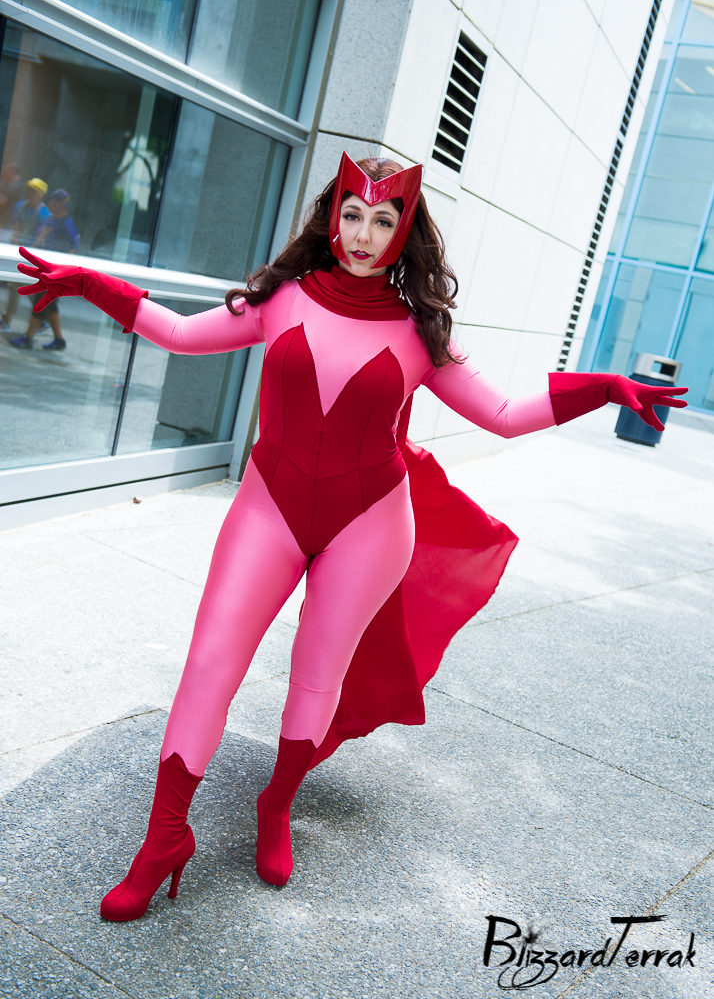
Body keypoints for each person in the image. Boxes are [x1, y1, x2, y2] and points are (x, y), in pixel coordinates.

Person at [16, 154, 688, 923]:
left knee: (315, 679)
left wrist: (602, 388)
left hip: (369, 525)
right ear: (331, 219)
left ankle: (276, 804)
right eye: (352, 214)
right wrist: (91, 283)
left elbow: (502, 415)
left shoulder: (421, 333)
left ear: (405, 232)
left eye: (383, 219)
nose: (365, 233)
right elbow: (176, 332)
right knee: (207, 665)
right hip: (269, 508)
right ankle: (165, 837)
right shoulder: (281, 298)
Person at [10, 190, 79, 350]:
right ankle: (59, 340)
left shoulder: (66, 223)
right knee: (51, 306)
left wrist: (64, 273)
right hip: (46, 269)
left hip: (55, 273)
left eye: (54, 201)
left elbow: (74, 248)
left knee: (41, 302)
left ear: (62, 204)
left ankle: (28, 338)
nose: (50, 203)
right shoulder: (50, 220)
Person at [1, 178, 50, 333]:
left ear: (41, 194)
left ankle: (42, 319)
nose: (30, 193)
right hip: (21, 252)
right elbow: (16, 228)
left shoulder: (44, 213)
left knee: (25, 288)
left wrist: (30, 253)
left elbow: (42, 236)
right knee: (18, 287)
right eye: (29, 189)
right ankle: (42, 320)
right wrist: (17, 246)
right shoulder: (21, 206)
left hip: (34, 255)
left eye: (34, 191)